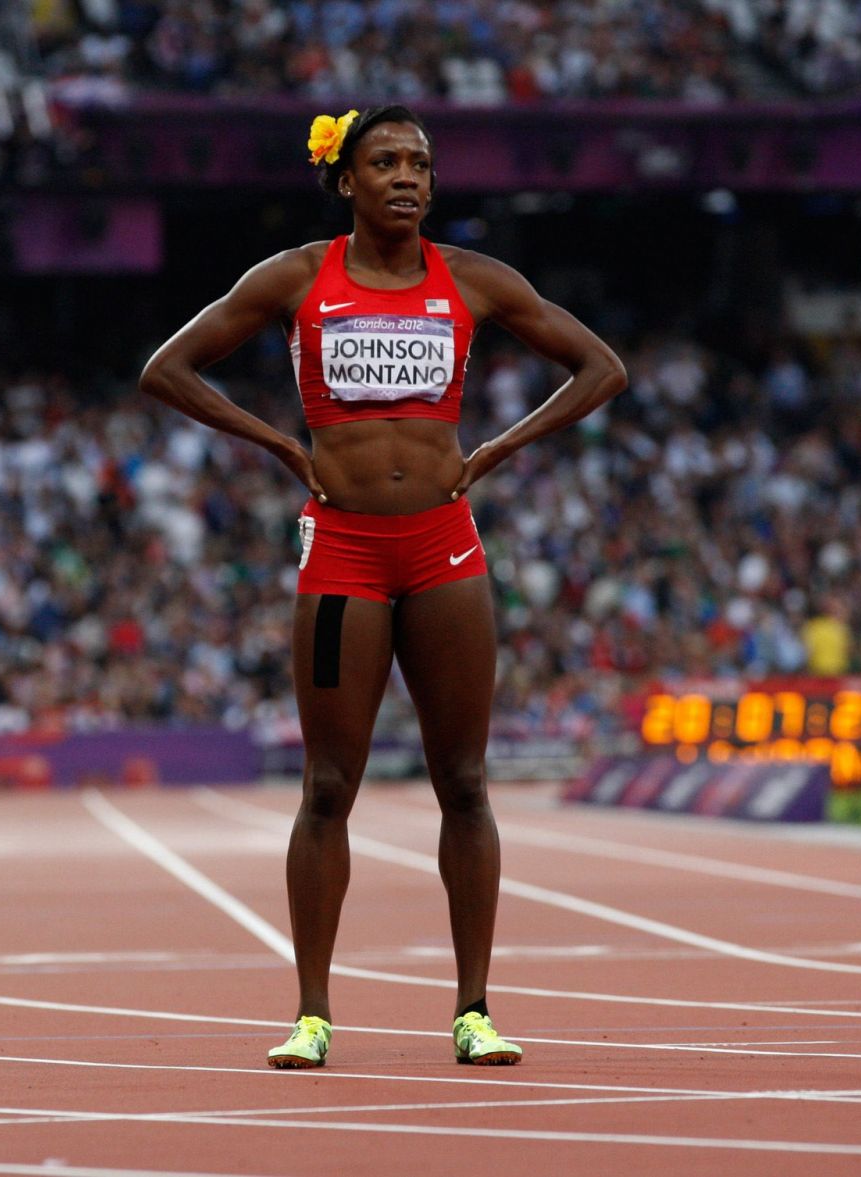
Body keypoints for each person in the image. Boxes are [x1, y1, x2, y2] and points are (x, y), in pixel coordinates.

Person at [139, 104, 627, 1068]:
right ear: (346, 180)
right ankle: (312, 1015)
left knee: (466, 782)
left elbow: (601, 368)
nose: (408, 177)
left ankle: (474, 1010)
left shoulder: (473, 279)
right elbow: (168, 369)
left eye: (421, 164)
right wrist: (281, 444)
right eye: (387, 162)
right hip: (344, 552)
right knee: (328, 785)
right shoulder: (295, 277)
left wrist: (496, 449)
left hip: (444, 547)